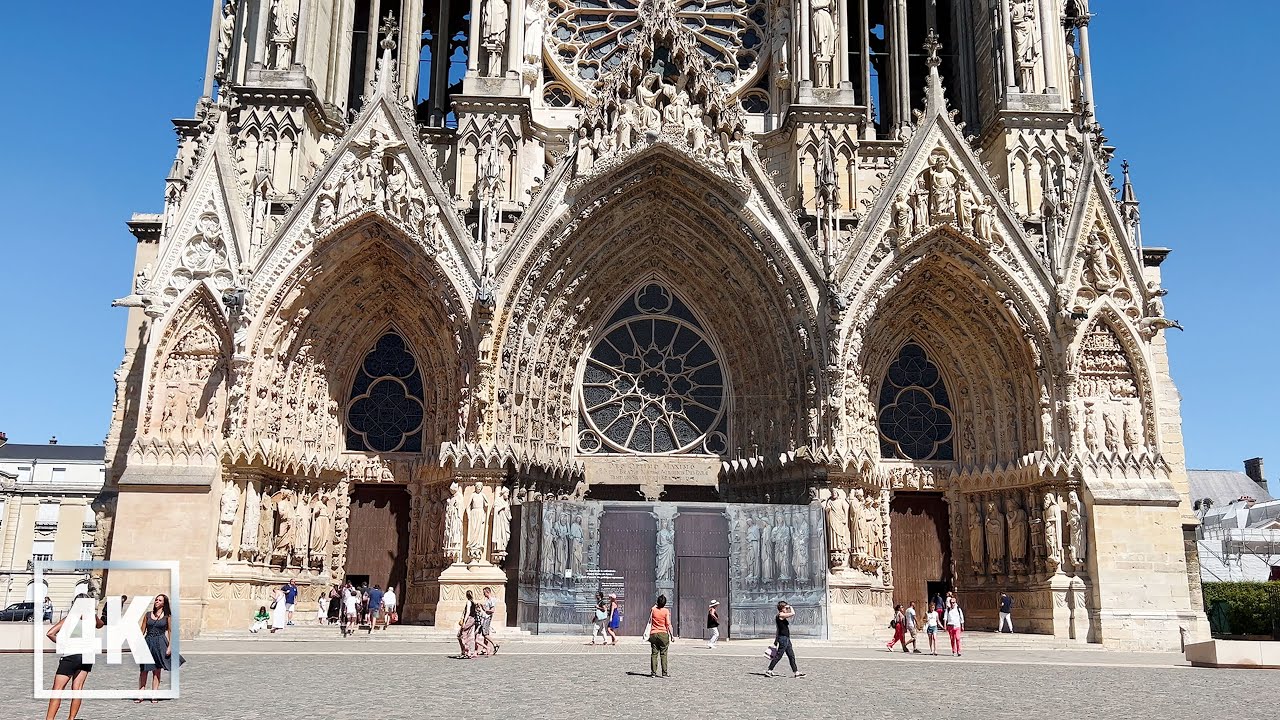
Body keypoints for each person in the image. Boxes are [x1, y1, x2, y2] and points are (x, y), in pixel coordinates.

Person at [44, 593, 102, 720]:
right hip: (87, 656)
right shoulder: (92, 617)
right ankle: (71, 718)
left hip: (71, 655)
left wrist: (63, 643)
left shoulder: (70, 618)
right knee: (77, 689)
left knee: (57, 690)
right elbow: (100, 624)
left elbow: (50, 633)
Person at [136, 594, 184, 703]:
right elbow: (142, 630)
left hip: (160, 643)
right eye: (156, 600)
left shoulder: (167, 616)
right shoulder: (148, 615)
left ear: (164, 603)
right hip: (148, 642)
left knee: (156, 670)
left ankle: (154, 694)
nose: (157, 601)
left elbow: (171, 631)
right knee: (143, 670)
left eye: (159, 600)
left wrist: (170, 646)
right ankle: (141, 693)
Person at [765, 601, 804, 678]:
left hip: (786, 638)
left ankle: (796, 672)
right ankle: (769, 670)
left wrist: (776, 640)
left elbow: (778, 629)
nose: (787, 609)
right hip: (783, 638)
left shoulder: (781, 616)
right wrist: (790, 606)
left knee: (791, 655)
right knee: (779, 655)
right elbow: (793, 613)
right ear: (782, 608)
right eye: (785, 608)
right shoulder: (780, 615)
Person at [646, 594, 673, 677]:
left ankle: (653, 673)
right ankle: (664, 673)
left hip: (653, 634)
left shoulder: (653, 610)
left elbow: (652, 609)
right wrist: (672, 636)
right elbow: (668, 624)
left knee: (654, 654)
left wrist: (656, 604)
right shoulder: (666, 611)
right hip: (663, 633)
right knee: (663, 654)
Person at [477, 586, 500, 655]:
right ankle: (484, 649)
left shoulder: (491, 600)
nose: (484, 594)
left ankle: (495, 644)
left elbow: (492, 610)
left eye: (484, 593)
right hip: (485, 617)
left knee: (485, 634)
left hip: (487, 618)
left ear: (488, 592)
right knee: (485, 633)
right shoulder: (488, 600)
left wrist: (485, 610)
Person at [458, 590, 479, 658]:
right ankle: (467, 652)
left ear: (466, 595)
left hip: (469, 619)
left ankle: (465, 651)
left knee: (460, 635)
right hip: (473, 619)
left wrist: (464, 622)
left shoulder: (468, 602)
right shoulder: (473, 602)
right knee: (468, 635)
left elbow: (468, 612)